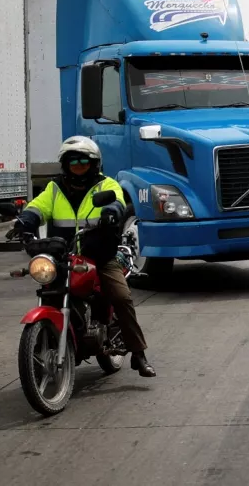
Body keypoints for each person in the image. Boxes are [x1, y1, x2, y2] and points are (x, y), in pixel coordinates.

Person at [15, 136, 156, 377]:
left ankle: (138, 353)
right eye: (73, 163)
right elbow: (37, 207)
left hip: (100, 257)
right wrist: (24, 221)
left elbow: (118, 202)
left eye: (84, 163)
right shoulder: (54, 188)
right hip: (63, 259)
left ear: (94, 165)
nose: (79, 168)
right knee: (49, 292)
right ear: (65, 166)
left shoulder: (107, 186)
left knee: (121, 297)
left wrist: (112, 213)